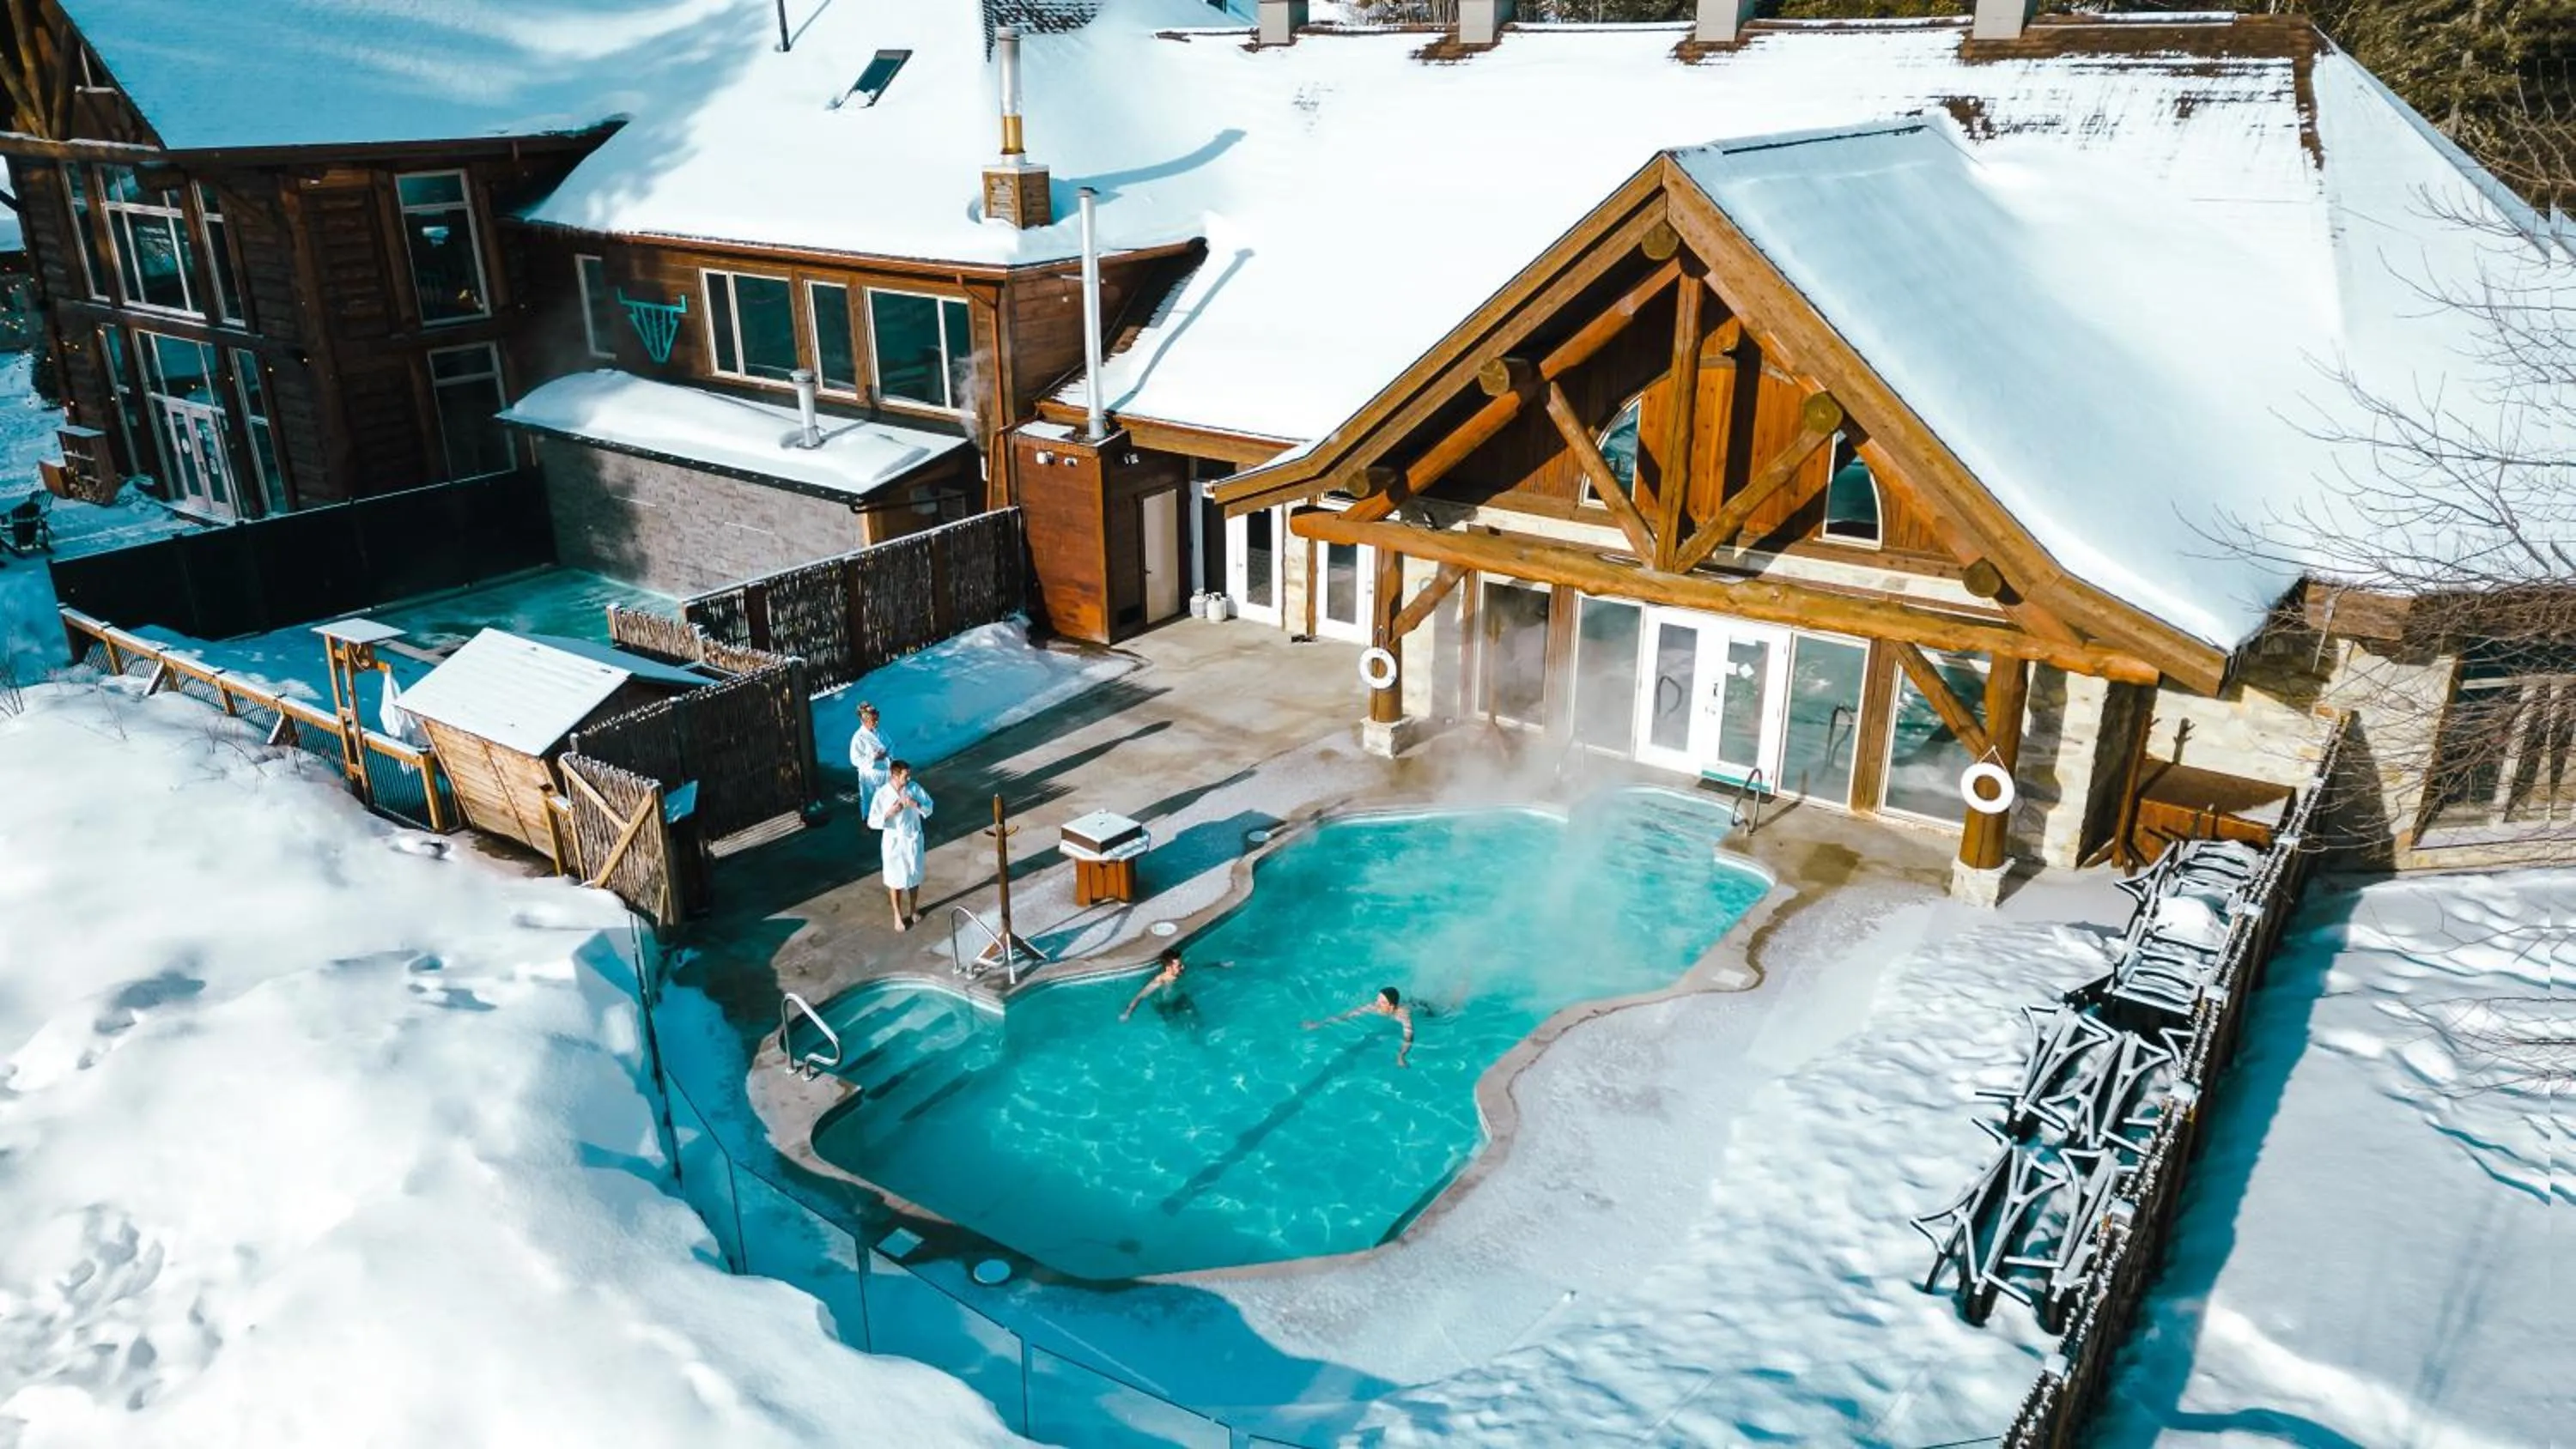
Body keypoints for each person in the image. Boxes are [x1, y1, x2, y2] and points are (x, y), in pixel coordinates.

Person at [867, 759, 933, 930]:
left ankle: (913, 908)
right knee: (894, 879)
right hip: (894, 842)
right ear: (894, 775)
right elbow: (872, 821)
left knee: (914, 876)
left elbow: (930, 806)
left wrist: (915, 804)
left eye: (909, 774)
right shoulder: (882, 794)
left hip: (912, 838)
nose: (909, 778)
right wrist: (889, 813)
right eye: (905, 776)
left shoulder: (914, 789)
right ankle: (897, 915)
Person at [1304, 985, 1413, 1068]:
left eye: (1382, 1002)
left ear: (1391, 1006)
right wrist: (1319, 1024)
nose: (1377, 1004)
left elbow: (1408, 1038)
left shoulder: (1403, 1015)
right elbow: (1347, 1016)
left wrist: (1401, 1055)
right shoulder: (1374, 1007)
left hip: (1424, 1009)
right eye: (1377, 1000)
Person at [1121, 949, 1188, 1022]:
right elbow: (1139, 996)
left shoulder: (1179, 973)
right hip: (1165, 1006)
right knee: (1176, 1027)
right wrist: (1127, 1013)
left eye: (1182, 964)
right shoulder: (1159, 981)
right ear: (1168, 968)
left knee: (1198, 1023)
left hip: (1180, 998)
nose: (1183, 967)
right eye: (1179, 966)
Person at [848, 702, 890, 816]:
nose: (876, 723)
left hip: (884, 772)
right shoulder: (858, 737)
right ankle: (867, 821)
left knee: (886, 798)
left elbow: (890, 744)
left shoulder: (880, 731)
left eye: (877, 719)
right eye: (873, 720)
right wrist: (873, 757)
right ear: (863, 721)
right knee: (869, 799)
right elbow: (854, 759)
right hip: (869, 776)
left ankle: (885, 819)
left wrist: (888, 754)